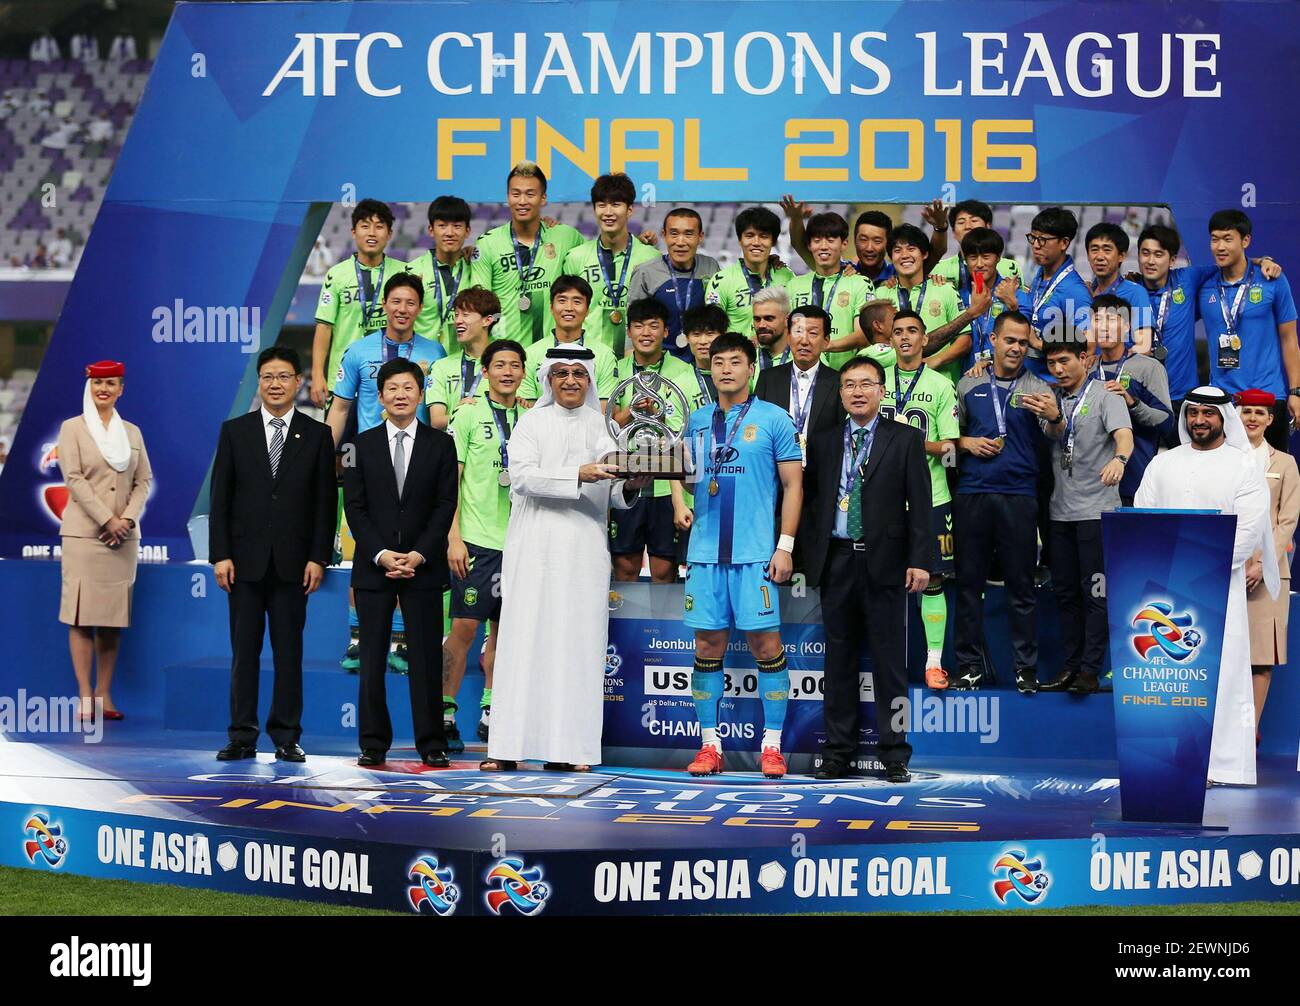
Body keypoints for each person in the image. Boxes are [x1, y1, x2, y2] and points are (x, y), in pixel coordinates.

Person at [482, 347, 647, 772]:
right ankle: (506, 748)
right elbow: (522, 477)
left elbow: (615, 493)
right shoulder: (530, 423)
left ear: (591, 380)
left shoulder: (603, 427)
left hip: (583, 550)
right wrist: (579, 473)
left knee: (578, 645)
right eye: (561, 374)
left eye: (579, 373)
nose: (571, 381)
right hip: (533, 549)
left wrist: (632, 484)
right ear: (548, 380)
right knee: (523, 641)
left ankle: (571, 753)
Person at [671, 333, 804, 778]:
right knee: (708, 646)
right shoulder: (697, 420)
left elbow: (793, 486)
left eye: (735, 361)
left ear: (751, 369)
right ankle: (710, 746)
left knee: (766, 645)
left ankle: (773, 746)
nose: (726, 369)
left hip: (754, 554)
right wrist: (676, 497)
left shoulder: (774, 419)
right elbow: (684, 474)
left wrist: (784, 546)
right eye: (718, 361)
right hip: (706, 554)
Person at [799, 356, 932, 781]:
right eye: (849, 385)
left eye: (866, 384)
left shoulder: (906, 438)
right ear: (840, 394)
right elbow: (814, 503)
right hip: (836, 559)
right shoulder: (822, 440)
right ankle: (838, 752)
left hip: (887, 563)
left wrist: (921, 559)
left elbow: (921, 506)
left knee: (890, 664)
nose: (857, 391)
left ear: (881, 391)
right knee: (838, 661)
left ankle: (895, 755)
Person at [1136, 388, 1277, 785]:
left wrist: (1192, 570)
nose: (1199, 420)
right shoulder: (1163, 463)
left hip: (1219, 591)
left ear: (1223, 418)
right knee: (1168, 681)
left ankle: (1221, 766)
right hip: (1163, 596)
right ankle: (1168, 761)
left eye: (1208, 414)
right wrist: (1169, 570)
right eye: (1193, 413)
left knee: (1222, 675)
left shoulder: (1243, 466)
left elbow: (1246, 532)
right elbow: (1143, 518)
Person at [209, 348, 335, 762]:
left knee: (288, 653)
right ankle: (242, 735)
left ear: (298, 382)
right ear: (259, 382)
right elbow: (221, 498)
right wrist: (220, 555)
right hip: (243, 563)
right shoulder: (235, 431)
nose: (275, 384)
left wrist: (318, 557)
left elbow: (324, 503)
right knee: (244, 653)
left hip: (293, 564)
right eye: (267, 377)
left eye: (283, 376)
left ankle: (286, 736)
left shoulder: (316, 435)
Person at [328, 273, 447, 674]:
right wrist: (324, 459)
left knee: (412, 544)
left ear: (419, 307)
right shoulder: (358, 350)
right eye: (395, 301)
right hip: (366, 461)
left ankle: (400, 638)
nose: (402, 309)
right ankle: (359, 637)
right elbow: (341, 409)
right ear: (384, 305)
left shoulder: (435, 351)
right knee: (365, 546)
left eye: (410, 302)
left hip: (416, 463)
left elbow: (434, 412)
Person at [343, 358, 458, 768]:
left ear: (421, 394)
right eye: (392, 388)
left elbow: (446, 505)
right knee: (372, 659)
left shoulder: (441, 444)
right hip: (374, 568)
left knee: (425, 658)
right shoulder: (357, 445)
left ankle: (431, 742)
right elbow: (354, 508)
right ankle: (373, 743)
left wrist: (419, 553)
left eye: (408, 388)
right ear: (379, 397)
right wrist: (380, 554)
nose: (400, 395)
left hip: (423, 567)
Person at [953, 312, 1056, 692]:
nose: (1016, 348)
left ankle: (1025, 669)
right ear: (993, 340)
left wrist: (1055, 416)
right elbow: (951, 436)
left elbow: (1057, 432)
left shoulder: (1040, 389)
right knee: (968, 585)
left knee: (1022, 587)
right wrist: (965, 444)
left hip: (1019, 497)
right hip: (973, 495)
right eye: (1009, 340)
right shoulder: (968, 384)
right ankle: (967, 666)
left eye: (1022, 342)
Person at [443, 340, 528, 753]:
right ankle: (444, 711)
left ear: (524, 372)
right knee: (464, 628)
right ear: (486, 370)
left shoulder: (531, 418)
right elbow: (450, 481)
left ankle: (493, 711)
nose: (507, 371)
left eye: (514, 365)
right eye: (499, 365)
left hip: (520, 542)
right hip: (476, 540)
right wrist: (453, 536)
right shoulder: (469, 415)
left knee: (507, 632)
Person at [57, 361, 152, 722]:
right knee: (81, 617)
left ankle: (104, 694)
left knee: (112, 618)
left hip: (123, 537)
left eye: (111, 383)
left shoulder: (133, 433)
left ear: (121, 389)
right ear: (89, 385)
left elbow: (143, 481)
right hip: (85, 534)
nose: (104, 389)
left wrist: (126, 519)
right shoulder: (73, 429)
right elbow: (74, 479)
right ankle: (84, 694)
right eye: (98, 383)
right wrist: (106, 519)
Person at [1038, 342, 1134, 694]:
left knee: (1095, 594)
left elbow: (1125, 436)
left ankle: (1090, 670)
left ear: (1084, 359)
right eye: (1051, 363)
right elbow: (1053, 434)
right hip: (1059, 512)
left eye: (1064, 361)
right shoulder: (1051, 399)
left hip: (1097, 512)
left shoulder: (1106, 395)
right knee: (1064, 593)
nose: (1058, 369)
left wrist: (1120, 460)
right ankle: (1071, 665)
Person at [876, 310, 960, 689]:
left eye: (913, 331)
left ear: (926, 339)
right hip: (883, 498)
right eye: (898, 332)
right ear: (890, 340)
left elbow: (951, 451)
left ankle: (933, 663)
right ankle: (885, 666)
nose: (905, 337)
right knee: (881, 579)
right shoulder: (876, 380)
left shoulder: (941, 385)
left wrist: (911, 441)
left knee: (934, 579)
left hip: (931, 498)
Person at [1134, 224, 1282, 422]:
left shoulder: (1188, 278)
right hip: (1141, 396)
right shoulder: (1130, 292)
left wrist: (1262, 261)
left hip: (1182, 398)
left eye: (1158, 254)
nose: (1150, 261)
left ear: (1171, 260)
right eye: (1145, 253)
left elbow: (1232, 263)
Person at [608, 298, 696, 584]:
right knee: (625, 567)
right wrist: (631, 412)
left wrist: (657, 412)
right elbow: (605, 425)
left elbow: (681, 430)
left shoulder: (683, 372)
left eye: (653, 326)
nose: (646, 333)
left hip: (664, 485)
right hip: (626, 479)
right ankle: (621, 630)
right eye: (638, 326)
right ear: (630, 332)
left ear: (666, 332)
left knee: (663, 570)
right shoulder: (616, 370)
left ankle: (662, 630)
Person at [1199, 209, 1300, 446]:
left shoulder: (1272, 280)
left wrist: (1296, 392)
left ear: (1246, 240)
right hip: (1223, 401)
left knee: (1269, 476)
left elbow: (1289, 340)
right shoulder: (1204, 286)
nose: (1220, 246)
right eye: (1214, 239)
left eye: (1227, 238)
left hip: (1267, 396)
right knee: (1224, 480)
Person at [1235, 389, 1300, 734]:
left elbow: (1287, 521)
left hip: (1270, 573)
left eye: (1260, 413)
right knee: (1228, 658)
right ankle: (1228, 731)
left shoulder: (1284, 463)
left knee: (1261, 657)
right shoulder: (1225, 459)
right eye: (1247, 412)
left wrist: (1264, 565)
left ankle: (1250, 731)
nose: (1253, 418)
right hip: (1228, 570)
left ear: (1271, 419)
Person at [473, 161, 585, 346]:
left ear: (543, 198)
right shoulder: (487, 244)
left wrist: (640, 241)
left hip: (553, 352)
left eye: (530, 194)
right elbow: (481, 307)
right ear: (508, 197)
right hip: (506, 353)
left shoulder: (566, 236)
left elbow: (597, 254)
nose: (522, 201)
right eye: (516, 194)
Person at [311, 199, 408, 407]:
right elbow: (324, 326)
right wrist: (317, 375)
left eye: (379, 226)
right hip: (344, 379)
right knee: (339, 439)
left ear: (390, 234)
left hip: (393, 380)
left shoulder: (404, 273)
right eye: (365, 226)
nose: (372, 233)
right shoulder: (336, 275)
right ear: (353, 231)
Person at [851, 224, 975, 386]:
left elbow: (965, 341)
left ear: (924, 254)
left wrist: (934, 361)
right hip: (892, 387)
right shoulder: (881, 294)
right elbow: (875, 342)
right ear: (891, 257)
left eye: (911, 249)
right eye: (897, 251)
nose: (904, 255)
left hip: (939, 383)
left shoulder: (945, 289)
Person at [562, 172, 660, 357]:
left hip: (635, 360)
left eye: (616, 204)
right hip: (589, 360)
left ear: (630, 209)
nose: (608, 212)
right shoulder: (576, 257)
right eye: (601, 205)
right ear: (594, 209)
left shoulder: (650, 257)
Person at [1090, 294, 1173, 504]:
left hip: (1133, 480)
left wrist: (1132, 402)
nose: (1104, 327)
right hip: (1090, 484)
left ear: (1127, 327)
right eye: (1098, 320)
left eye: (1111, 320)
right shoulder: (1086, 368)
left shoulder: (1148, 367)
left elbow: (1166, 422)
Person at [627, 207, 720, 361]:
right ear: (664, 235)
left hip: (701, 360)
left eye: (689, 234)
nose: (680, 242)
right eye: (674, 234)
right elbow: (633, 322)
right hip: (659, 361)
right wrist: (631, 358)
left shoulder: (710, 267)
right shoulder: (646, 272)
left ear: (700, 236)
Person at [754, 304, 846, 460]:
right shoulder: (768, 378)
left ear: (826, 340)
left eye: (813, 333)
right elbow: (758, 428)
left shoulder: (838, 382)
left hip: (820, 472)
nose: (804, 341)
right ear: (788, 337)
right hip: (775, 470)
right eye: (798, 332)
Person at [784, 212, 872, 369]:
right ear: (810, 245)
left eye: (831, 240)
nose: (823, 246)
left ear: (844, 244)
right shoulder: (793, 285)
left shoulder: (860, 284)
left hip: (842, 376)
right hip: (800, 376)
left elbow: (863, 335)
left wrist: (824, 345)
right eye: (817, 241)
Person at [518, 276, 620, 405]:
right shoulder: (530, 354)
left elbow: (605, 411)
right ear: (551, 307)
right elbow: (528, 409)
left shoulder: (605, 354)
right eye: (562, 300)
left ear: (587, 310)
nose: (569, 308)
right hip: (542, 425)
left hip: (590, 425)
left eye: (577, 302)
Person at [1017, 208, 1093, 376]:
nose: (1036, 245)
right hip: (1029, 378)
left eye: (1043, 240)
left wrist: (1038, 343)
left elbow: (1086, 344)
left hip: (1053, 385)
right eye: (1033, 238)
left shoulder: (1074, 290)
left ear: (1064, 243)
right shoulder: (1041, 275)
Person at [704, 206, 794, 340]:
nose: (756, 243)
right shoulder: (721, 280)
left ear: (773, 241)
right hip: (738, 358)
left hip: (779, 360)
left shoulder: (786, 276)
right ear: (740, 240)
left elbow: (794, 322)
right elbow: (712, 330)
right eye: (749, 236)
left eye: (764, 236)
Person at [408, 195, 480, 352]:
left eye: (457, 226)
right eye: (442, 226)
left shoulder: (476, 267)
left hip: (467, 361)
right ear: (431, 230)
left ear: (468, 231)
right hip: (424, 364)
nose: (449, 233)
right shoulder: (412, 272)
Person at [425, 287, 500, 430]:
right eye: (456, 315)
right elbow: (436, 421)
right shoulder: (441, 367)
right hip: (451, 449)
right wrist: (462, 413)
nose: (458, 321)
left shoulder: (503, 365)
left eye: (465, 315)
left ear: (487, 320)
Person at [1084, 222, 1154, 351]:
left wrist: (1107, 361)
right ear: (1088, 255)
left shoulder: (1135, 292)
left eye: (1107, 250)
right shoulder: (1083, 293)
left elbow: (1144, 346)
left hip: (1122, 369)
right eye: (1094, 249)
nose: (1099, 257)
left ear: (1121, 256)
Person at [929, 199, 1022, 290]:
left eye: (974, 221)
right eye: (961, 222)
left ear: (988, 226)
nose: (968, 226)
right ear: (953, 232)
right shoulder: (938, 269)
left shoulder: (1011, 267)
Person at [752, 285, 793, 376]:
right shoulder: (748, 357)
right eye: (757, 319)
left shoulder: (806, 358)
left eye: (769, 318)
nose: (761, 325)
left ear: (787, 320)